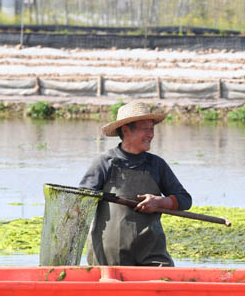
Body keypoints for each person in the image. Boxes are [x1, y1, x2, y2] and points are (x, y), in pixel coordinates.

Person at [79, 101, 191, 266]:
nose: (150, 135)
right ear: (125, 130)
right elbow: (82, 201)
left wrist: (160, 202)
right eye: (145, 129)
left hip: (151, 252)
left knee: (164, 285)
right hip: (110, 254)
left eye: (152, 129)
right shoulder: (105, 163)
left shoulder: (157, 165)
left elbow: (185, 200)